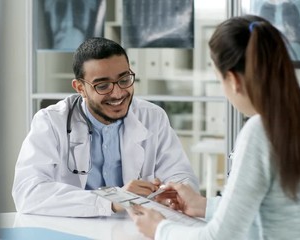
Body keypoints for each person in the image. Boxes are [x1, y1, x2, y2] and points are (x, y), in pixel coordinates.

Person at [128, 15, 300, 239]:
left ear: (233, 80)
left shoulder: (261, 131)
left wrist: (159, 228)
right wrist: (204, 205)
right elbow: (285, 211)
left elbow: (220, 237)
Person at [12, 37, 199, 217]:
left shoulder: (153, 117)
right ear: (80, 88)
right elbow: (28, 192)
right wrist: (112, 201)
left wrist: (173, 192)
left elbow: (181, 175)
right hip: (72, 229)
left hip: (135, 228)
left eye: (124, 80)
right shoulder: (51, 122)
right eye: (103, 86)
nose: (117, 93)